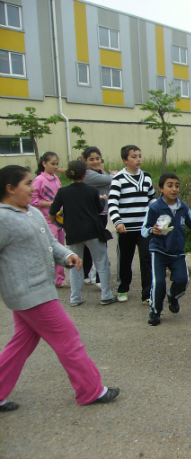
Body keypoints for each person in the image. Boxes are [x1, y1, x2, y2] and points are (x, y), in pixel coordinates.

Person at [0, 165, 119, 412]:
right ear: (10, 189)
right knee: (68, 339)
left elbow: (51, 242)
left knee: (22, 342)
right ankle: (90, 390)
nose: (33, 188)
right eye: (27, 184)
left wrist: (67, 257)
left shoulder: (31, 212)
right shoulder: (3, 218)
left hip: (34, 293)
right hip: (30, 294)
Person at [141, 173, 191, 326]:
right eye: (170, 185)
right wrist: (151, 230)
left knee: (183, 280)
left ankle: (173, 295)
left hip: (177, 251)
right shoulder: (155, 207)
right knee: (158, 282)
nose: (174, 189)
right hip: (159, 250)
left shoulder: (182, 206)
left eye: (177, 185)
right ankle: (155, 311)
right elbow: (144, 229)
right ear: (160, 188)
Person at [49, 161, 117, 306]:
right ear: (85, 174)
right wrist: (102, 199)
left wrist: (56, 222)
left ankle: (75, 297)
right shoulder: (92, 190)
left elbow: (52, 211)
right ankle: (106, 295)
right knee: (101, 262)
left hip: (73, 233)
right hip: (92, 231)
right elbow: (99, 209)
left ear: (68, 175)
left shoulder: (63, 192)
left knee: (75, 264)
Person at [108, 145, 155, 304]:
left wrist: (155, 217)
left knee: (147, 259)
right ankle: (122, 289)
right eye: (134, 156)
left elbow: (152, 199)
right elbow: (113, 202)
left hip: (144, 229)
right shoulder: (118, 179)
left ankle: (147, 293)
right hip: (126, 229)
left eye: (140, 156)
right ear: (125, 160)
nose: (138, 159)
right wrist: (117, 221)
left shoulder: (147, 177)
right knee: (125, 260)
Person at [81, 147, 116, 288]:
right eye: (91, 159)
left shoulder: (99, 172)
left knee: (92, 245)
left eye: (97, 158)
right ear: (85, 161)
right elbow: (109, 179)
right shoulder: (88, 174)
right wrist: (115, 174)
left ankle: (86, 275)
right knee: (99, 244)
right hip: (93, 213)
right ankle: (97, 277)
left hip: (102, 212)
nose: (95, 162)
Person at [30, 151, 66, 287]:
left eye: (57, 164)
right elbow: (33, 201)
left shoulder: (56, 178)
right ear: (44, 164)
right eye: (53, 164)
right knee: (50, 249)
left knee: (61, 248)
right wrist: (51, 204)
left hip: (59, 219)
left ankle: (59, 280)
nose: (55, 166)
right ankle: (49, 279)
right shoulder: (39, 179)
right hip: (47, 218)